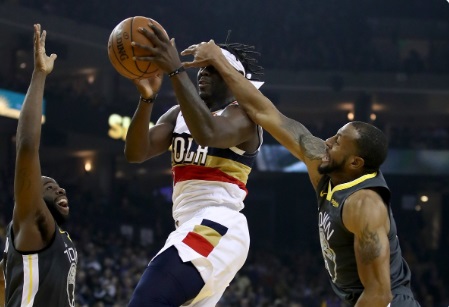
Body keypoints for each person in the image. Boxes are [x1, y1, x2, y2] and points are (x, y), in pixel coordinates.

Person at [180, 41, 421, 307]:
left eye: (338, 141)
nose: (327, 141)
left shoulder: (365, 205)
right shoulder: (325, 166)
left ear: (355, 163)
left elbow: (379, 294)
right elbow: (265, 112)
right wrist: (220, 61)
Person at [123, 24, 264, 306]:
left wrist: (176, 71)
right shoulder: (178, 114)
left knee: (148, 299)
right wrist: (147, 98)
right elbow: (136, 153)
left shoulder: (244, 115)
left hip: (219, 223)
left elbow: (209, 132)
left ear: (232, 78)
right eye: (201, 68)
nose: (202, 73)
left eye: (211, 68)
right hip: (187, 225)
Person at [1, 24, 77, 307]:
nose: (60, 189)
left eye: (58, 185)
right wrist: (39, 74)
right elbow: (27, 147)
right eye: (49, 186)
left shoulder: (51, 237)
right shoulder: (32, 218)